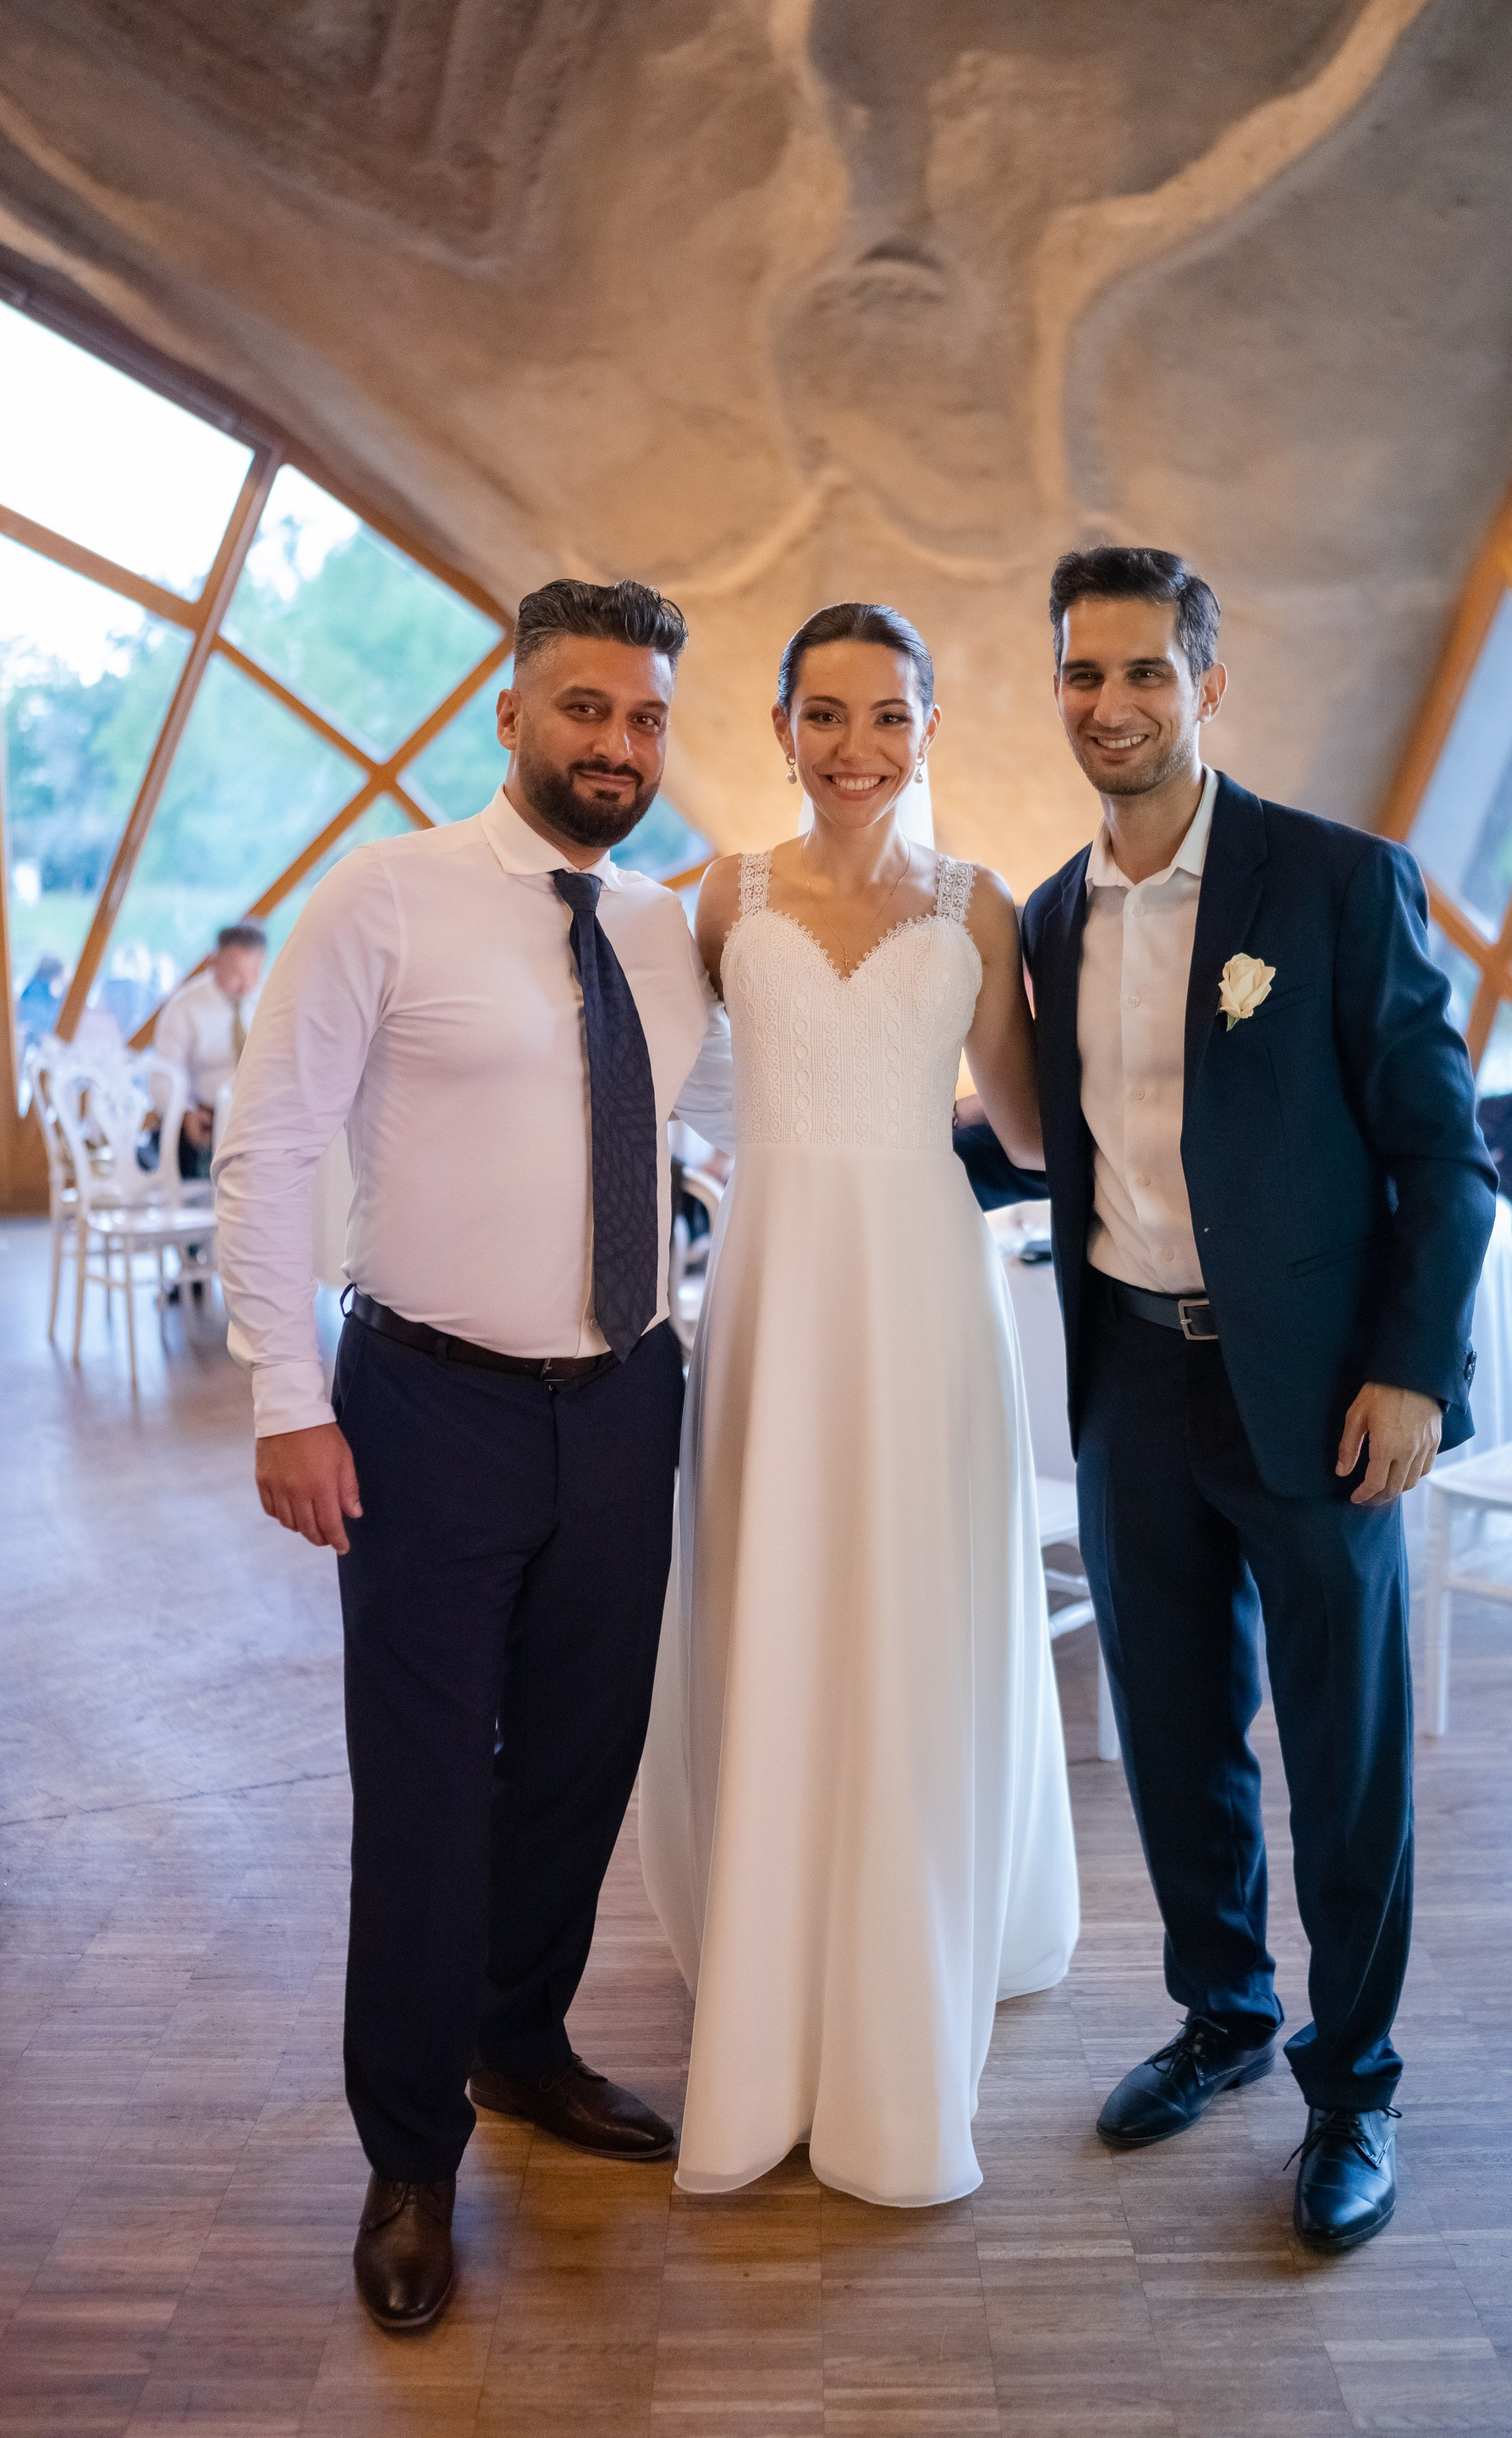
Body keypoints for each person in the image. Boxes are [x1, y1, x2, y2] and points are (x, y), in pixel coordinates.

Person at [958, 547, 1497, 2252]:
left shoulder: (1336, 882)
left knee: (1344, 1757)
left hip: (1324, 1393)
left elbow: (1447, 1159)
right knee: (1175, 1733)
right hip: (1131, 1379)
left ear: (1207, 684)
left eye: (1144, 672)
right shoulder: (1055, 915)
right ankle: (1223, 2015)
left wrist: (1412, 1370)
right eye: (1082, 673)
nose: (1111, 704)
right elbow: (1047, 1144)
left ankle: (1355, 2085)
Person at [214, 579, 734, 2334]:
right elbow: (271, 1143)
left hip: (628, 1400)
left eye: (646, 717)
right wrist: (286, 1395)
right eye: (585, 707)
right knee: (429, 1791)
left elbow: (742, 1121)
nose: (617, 743)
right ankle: (410, 2156)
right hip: (428, 1409)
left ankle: (522, 2041)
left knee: (580, 1762)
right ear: (509, 716)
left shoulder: (664, 927)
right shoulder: (387, 897)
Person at [639, 602, 1080, 2208]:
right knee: (776, 1595)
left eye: (888, 715)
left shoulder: (981, 908)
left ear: (929, 732)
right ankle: (776, 1953)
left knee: (907, 1607)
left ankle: (907, 1959)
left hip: (922, 1291)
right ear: (778, 729)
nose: (855, 746)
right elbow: (647, 1081)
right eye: (823, 714)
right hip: (770, 1297)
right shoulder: (718, 899)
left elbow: (1029, 1136)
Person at [154, 922, 267, 1179]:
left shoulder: (270, 997)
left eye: (254, 973)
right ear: (213, 961)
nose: (246, 985)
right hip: (206, 1120)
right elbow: (163, 1075)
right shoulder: (184, 1006)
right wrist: (185, 1114)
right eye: (237, 975)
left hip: (260, 1117)